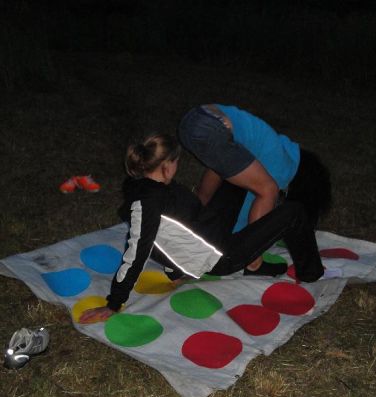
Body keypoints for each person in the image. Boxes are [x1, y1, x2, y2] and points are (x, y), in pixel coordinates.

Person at [79, 133, 324, 324]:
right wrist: (113, 304)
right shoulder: (147, 205)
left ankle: (254, 256)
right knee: (294, 212)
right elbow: (138, 251)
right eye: (176, 162)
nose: (177, 167)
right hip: (222, 256)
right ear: (166, 166)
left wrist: (175, 271)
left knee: (235, 182)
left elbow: (169, 233)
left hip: (212, 230)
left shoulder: (149, 186)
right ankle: (311, 274)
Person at [178, 104, 331, 272]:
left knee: (227, 176)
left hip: (192, 120)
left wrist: (199, 208)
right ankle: (254, 263)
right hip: (212, 125)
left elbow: (215, 170)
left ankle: (193, 224)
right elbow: (251, 217)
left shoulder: (273, 144)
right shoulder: (281, 166)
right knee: (268, 190)